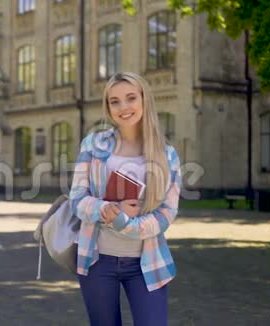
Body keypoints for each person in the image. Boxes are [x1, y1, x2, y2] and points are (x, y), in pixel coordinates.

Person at [69, 72, 182, 326]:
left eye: (131, 98)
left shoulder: (167, 154)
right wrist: (108, 208)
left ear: (144, 99)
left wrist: (125, 224)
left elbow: (167, 214)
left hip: (148, 263)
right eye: (115, 101)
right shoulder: (93, 144)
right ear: (108, 107)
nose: (123, 107)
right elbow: (76, 199)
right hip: (97, 260)